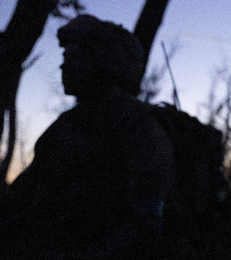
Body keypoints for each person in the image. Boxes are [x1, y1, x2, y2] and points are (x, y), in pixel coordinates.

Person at [0, 15, 174, 259]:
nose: (63, 66)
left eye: (74, 57)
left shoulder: (139, 129)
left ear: (104, 63)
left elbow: (144, 227)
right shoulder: (65, 126)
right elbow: (23, 199)